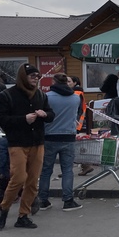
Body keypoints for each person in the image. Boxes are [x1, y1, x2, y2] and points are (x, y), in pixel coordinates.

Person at [0, 64, 55, 230]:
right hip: (17, 143)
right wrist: (23, 119)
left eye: (38, 76)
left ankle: (23, 215)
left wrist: (45, 115)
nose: (35, 79)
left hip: (37, 142)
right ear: (22, 76)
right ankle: (3, 209)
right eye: (32, 76)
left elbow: (51, 115)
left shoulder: (41, 95)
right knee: (18, 178)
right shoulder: (7, 95)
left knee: (33, 181)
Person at [37, 73, 84, 212]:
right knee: (67, 170)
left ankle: (43, 200)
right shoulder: (75, 98)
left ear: (53, 82)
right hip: (68, 136)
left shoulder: (46, 97)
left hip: (49, 136)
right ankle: (68, 200)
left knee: (46, 170)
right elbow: (77, 114)